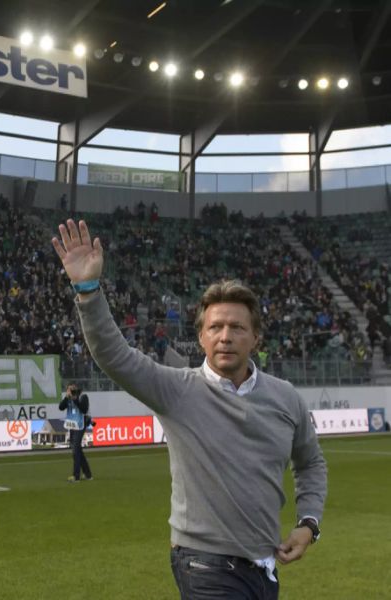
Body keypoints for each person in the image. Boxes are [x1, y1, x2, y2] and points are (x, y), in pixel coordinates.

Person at [52, 219, 326, 600]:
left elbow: (311, 463)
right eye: (215, 327)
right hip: (205, 567)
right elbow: (114, 355)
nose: (225, 336)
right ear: (201, 336)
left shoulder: (286, 397)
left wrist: (308, 523)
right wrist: (87, 289)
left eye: (236, 327)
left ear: (256, 338)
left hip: (266, 567)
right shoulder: (177, 390)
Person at [58, 383, 93, 482]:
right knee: (77, 449)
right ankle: (88, 474)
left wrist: (75, 399)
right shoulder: (68, 397)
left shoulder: (83, 396)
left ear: (77, 388)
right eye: (69, 389)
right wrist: (66, 397)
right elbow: (61, 407)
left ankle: (76, 476)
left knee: (76, 448)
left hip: (82, 422)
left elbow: (84, 409)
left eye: (73, 389)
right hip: (72, 424)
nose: (71, 391)